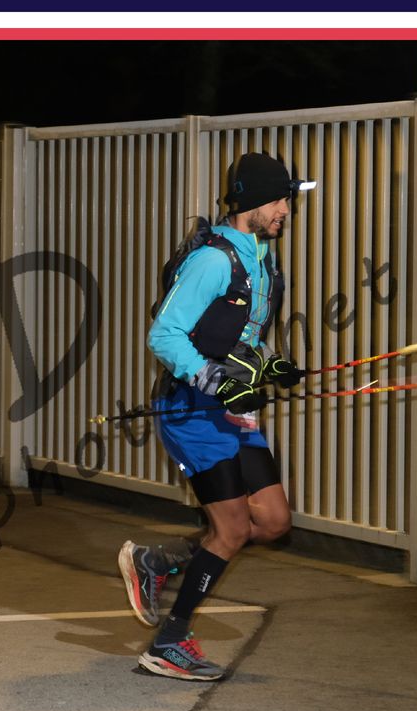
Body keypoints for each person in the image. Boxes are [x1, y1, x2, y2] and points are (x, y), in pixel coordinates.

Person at [118, 152, 311, 681]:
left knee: (272, 522)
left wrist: (269, 363)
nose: (286, 211)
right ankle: (168, 645)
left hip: (230, 407)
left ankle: (156, 562)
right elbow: (164, 335)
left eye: (288, 201)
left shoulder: (263, 259)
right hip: (192, 410)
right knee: (231, 530)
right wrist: (213, 380)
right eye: (278, 200)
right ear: (251, 202)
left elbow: (239, 336)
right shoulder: (212, 261)